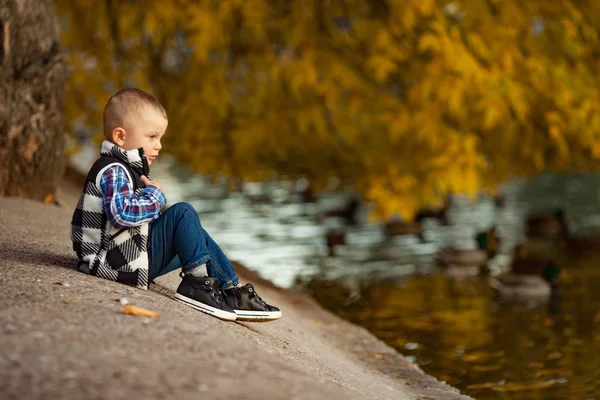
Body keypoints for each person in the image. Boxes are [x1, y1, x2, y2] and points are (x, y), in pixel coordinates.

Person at [70, 88, 281, 322]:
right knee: (182, 213)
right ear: (120, 136)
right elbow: (122, 214)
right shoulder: (115, 171)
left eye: (160, 138)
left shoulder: (124, 168)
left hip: (126, 257)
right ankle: (197, 284)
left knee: (193, 233)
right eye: (151, 137)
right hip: (112, 262)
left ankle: (232, 290)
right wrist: (155, 195)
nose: (158, 145)